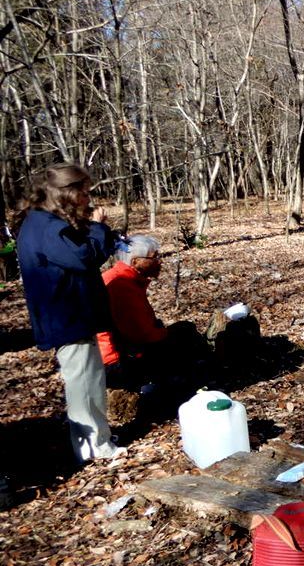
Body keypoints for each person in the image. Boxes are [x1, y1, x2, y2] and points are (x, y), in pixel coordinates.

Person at [15, 163, 125, 461]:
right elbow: (84, 257)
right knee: (83, 384)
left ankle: (97, 439)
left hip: (70, 314)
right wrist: (100, 227)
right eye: (85, 193)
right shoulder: (46, 227)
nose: (88, 199)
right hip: (66, 316)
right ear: (68, 193)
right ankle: (94, 447)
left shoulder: (44, 223)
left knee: (89, 378)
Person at [96, 235, 206, 391]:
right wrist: (165, 334)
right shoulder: (121, 285)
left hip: (115, 353)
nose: (159, 261)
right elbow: (142, 334)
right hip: (115, 363)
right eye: (154, 257)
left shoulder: (121, 277)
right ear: (135, 262)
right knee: (184, 335)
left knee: (182, 331)